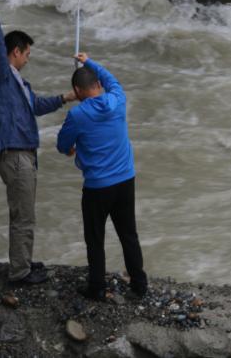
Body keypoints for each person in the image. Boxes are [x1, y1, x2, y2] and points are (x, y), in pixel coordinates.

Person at [0, 0, 76, 285]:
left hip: (22, 154)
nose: (28, 59)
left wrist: (66, 97)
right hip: (15, 153)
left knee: (24, 212)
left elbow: (37, 106)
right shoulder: (1, 73)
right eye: (27, 54)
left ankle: (24, 262)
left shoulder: (19, 83)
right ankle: (20, 272)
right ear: (16, 51)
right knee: (24, 216)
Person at [56, 52, 148, 300]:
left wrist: (72, 149)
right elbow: (112, 79)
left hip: (98, 187)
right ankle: (139, 283)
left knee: (95, 238)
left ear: (77, 90)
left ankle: (96, 287)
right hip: (125, 180)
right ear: (98, 85)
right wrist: (88, 61)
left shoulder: (77, 115)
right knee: (129, 233)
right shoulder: (118, 99)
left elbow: (62, 145)